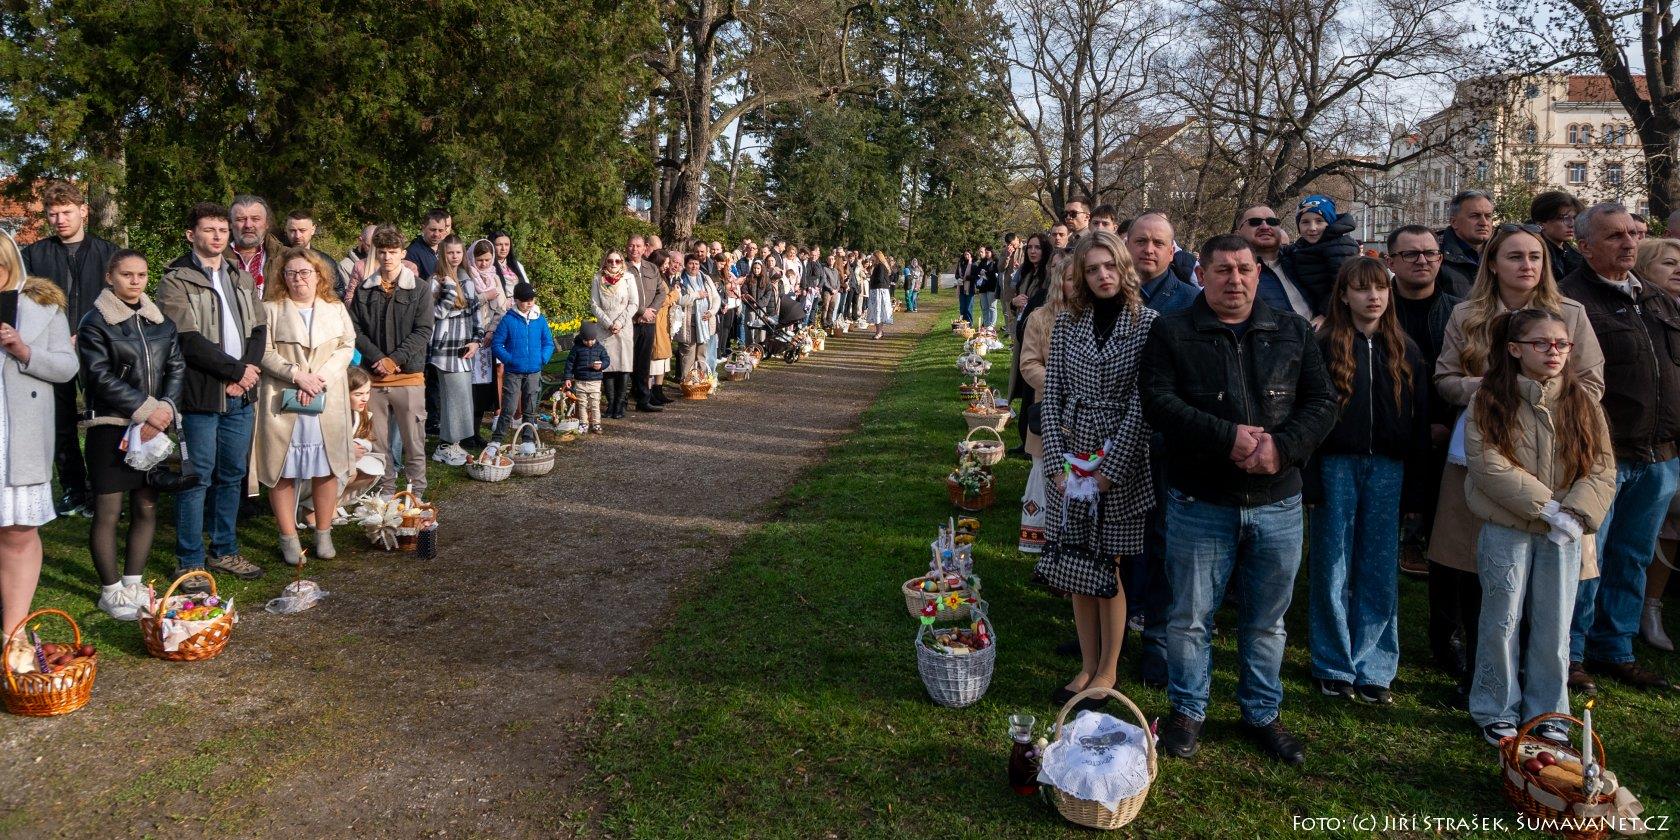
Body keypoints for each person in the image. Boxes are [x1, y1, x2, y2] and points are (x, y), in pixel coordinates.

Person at [1140, 233, 1337, 766]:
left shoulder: (1292, 330)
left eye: (1245, 269)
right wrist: (1225, 437)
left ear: (1258, 272)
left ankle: (1262, 712)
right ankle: (1187, 710)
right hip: (1201, 499)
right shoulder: (1173, 331)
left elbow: (1322, 402)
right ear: (1201, 274)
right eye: (1223, 270)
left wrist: (1282, 447)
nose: (1235, 280)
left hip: (1277, 500)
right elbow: (1158, 402)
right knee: (1190, 616)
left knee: (1268, 619)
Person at [1431, 223, 1603, 701]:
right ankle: (1483, 678)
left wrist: (1541, 393)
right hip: (1484, 454)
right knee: (1481, 570)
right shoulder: (1467, 314)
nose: (1527, 265)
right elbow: (1445, 378)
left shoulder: (1570, 313)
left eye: (1535, 256)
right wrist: (1486, 388)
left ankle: (1539, 682)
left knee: (1549, 576)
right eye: (1514, 256)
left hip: (1554, 457)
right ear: (1492, 263)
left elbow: (1591, 383)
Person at [1465, 309, 1615, 745]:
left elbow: (1602, 466)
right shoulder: (1489, 399)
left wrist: (1574, 514)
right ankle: (1496, 707)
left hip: (1564, 532)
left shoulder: (1582, 402)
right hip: (1508, 526)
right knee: (1502, 619)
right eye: (1542, 343)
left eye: (1562, 344)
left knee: (1555, 623)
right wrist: (1547, 508)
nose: (1554, 351)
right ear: (1515, 349)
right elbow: (1487, 462)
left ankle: (1549, 711)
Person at [1558, 203, 1680, 691]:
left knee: (1633, 556)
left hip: (1659, 455)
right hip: (1600, 454)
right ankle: (1572, 653)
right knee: (1587, 560)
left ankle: (1615, 649)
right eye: (1614, 236)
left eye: (1633, 233)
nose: (1629, 242)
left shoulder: (1658, 298)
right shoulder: (1568, 299)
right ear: (1584, 246)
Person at [1033, 230, 1156, 712]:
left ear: (1123, 268)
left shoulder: (1147, 324)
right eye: (1091, 269)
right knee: (1075, 561)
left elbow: (1143, 405)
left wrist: (1111, 470)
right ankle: (1086, 664)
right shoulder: (1067, 324)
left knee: (1109, 565)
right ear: (1081, 276)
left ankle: (1108, 668)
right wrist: (1056, 465)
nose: (1102, 276)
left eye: (1109, 266)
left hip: (1119, 456)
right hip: (1071, 452)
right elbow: (1052, 396)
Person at [1307, 257, 1428, 705]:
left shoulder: (1406, 349)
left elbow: (1420, 422)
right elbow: (1308, 414)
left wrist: (1415, 487)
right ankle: (1333, 662)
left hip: (1388, 468)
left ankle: (1374, 664)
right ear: (1344, 295)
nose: (1372, 297)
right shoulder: (1323, 346)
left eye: (1379, 288)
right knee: (1332, 563)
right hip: (1335, 464)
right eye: (1361, 288)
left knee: (1378, 566)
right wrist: (1309, 476)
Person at [158, 202, 268, 590]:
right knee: (197, 477)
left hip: (241, 395)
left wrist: (247, 372)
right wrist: (235, 372)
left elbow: (259, 328)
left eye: (223, 230)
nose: (218, 236)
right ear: (191, 235)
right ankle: (189, 561)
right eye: (209, 230)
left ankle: (224, 550)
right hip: (201, 394)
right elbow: (186, 339)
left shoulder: (239, 275)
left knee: (232, 475)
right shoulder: (176, 280)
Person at [77, 249, 183, 619]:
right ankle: (110, 591)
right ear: (110, 277)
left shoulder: (160, 322)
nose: (135, 281)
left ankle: (133, 583)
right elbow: (98, 376)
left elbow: (176, 367)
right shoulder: (95, 322)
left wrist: (165, 408)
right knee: (109, 509)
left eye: (141, 274)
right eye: (127, 274)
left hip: (153, 428)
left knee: (146, 504)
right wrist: (146, 408)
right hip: (111, 426)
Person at [1125, 212, 1200, 690]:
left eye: (1158, 243)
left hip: (1164, 442)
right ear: (1127, 245)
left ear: (1173, 251)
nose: (1148, 250)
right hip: (1114, 438)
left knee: (1162, 539)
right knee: (1114, 538)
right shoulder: (1111, 295)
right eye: (1141, 241)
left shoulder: (1189, 301)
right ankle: (1108, 632)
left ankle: (1156, 639)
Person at [1384, 225, 1465, 660]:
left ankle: (1447, 635)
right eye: (1410, 254)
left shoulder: (1459, 312)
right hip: (1388, 438)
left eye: (1430, 253)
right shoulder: (1376, 306)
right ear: (1391, 261)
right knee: (1379, 540)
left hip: (1447, 438)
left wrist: (1445, 423)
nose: (1422, 261)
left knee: (1448, 545)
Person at [254, 248, 356, 565]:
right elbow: (263, 351)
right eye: (291, 273)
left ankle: (323, 532)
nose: (298, 279)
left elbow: (347, 346)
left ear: (318, 275)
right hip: (283, 397)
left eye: (305, 272)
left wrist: (320, 378)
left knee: (326, 467)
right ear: (282, 277)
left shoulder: (335, 308)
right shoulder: (270, 309)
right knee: (281, 469)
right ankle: (288, 537)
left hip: (326, 395)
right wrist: (298, 376)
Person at [0, 231, 78, 635]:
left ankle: (13, 632)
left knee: (18, 532)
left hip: (19, 437)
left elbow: (67, 367)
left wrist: (23, 350)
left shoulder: (41, 305)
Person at [22, 181, 115, 518]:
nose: (60, 220)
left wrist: (89, 334)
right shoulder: (34, 255)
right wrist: (56, 336)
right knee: (60, 422)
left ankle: (105, 492)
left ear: (83, 211)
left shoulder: (108, 253)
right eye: (53, 214)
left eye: (66, 212)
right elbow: (24, 302)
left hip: (99, 349)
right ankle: (73, 490)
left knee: (104, 420)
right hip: (52, 350)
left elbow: (119, 299)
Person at [350, 223, 434, 498]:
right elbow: (355, 329)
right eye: (382, 252)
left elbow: (423, 330)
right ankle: (384, 492)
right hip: (373, 379)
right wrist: (378, 358)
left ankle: (416, 493)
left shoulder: (420, 289)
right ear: (375, 253)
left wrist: (395, 359)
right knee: (378, 442)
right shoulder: (364, 289)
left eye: (393, 251)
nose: (387, 257)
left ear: (403, 253)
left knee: (414, 441)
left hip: (408, 377)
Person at [1636, 237, 1680, 650]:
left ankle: (1653, 606)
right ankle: (1639, 610)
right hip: (1651, 440)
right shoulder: (1639, 314)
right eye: (1668, 262)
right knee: (1652, 526)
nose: (1678, 270)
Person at [426, 237, 487, 466]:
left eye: (458, 252)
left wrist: (477, 341)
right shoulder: (436, 281)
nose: (454, 257)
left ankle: (453, 443)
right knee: (452, 396)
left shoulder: (467, 280)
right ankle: (444, 446)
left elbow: (476, 314)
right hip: (444, 349)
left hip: (464, 348)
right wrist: (450, 289)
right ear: (443, 254)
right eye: (450, 253)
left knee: (462, 397)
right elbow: (434, 314)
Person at [491, 282, 555, 442]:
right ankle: (496, 441)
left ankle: (528, 440)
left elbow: (548, 342)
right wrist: (509, 360)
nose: (529, 303)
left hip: (534, 371)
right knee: (508, 408)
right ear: (516, 300)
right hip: (513, 372)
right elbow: (497, 344)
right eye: (525, 300)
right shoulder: (508, 320)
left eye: (531, 299)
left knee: (530, 409)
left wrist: (542, 358)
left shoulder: (539, 319)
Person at [1237, 205, 1316, 323]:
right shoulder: (1233, 274)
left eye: (1272, 222)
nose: (1265, 227)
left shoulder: (1302, 260)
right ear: (1238, 234)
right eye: (1255, 222)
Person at [1283, 194, 1359, 312]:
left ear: (1330, 223)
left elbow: (1342, 288)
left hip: (1335, 313)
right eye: (1305, 222)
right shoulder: (1302, 246)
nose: (1312, 228)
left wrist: (1324, 315)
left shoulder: (1340, 248)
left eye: (1319, 221)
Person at [590, 251, 638, 419]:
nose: (614, 264)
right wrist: (608, 323)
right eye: (610, 261)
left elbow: (634, 303)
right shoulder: (598, 278)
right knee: (607, 366)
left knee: (624, 366)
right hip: (605, 328)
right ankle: (610, 404)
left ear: (622, 262)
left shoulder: (628, 278)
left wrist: (619, 322)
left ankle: (620, 404)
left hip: (623, 327)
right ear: (605, 262)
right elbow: (594, 305)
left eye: (617, 261)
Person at [626, 235, 665, 413]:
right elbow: (622, 296)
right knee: (627, 362)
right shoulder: (621, 268)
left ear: (644, 248)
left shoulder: (652, 268)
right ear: (627, 248)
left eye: (638, 246)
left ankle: (643, 399)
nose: (634, 249)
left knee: (643, 363)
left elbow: (661, 292)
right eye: (631, 246)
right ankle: (622, 400)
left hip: (649, 322)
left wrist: (651, 311)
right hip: (630, 322)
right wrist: (641, 311)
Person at [1437, 190, 1496, 298]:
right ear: (1454, 222)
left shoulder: (1500, 253)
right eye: (1475, 216)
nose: (1484, 223)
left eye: (1488, 216)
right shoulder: (1433, 255)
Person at [282, 209, 349, 300]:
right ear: (286, 230)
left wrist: (316, 301)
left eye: (302, 230)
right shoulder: (277, 259)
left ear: (313, 229)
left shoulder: (325, 261)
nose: (297, 236)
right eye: (292, 230)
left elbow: (339, 291)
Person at [229, 195, 281, 293]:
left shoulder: (285, 257)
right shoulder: (215, 258)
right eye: (241, 219)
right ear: (230, 224)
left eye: (255, 219)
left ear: (267, 223)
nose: (248, 225)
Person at [564, 322, 609, 434]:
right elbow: (569, 363)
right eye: (586, 340)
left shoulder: (600, 348)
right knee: (582, 404)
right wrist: (568, 378)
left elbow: (606, 360)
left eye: (592, 340)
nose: (589, 342)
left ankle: (596, 423)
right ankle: (583, 423)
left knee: (595, 404)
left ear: (595, 338)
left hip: (595, 381)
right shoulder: (576, 348)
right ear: (582, 338)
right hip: (580, 381)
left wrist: (601, 366)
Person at [1530, 190, 1585, 280]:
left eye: (1574, 218)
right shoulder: (1534, 254)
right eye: (1562, 218)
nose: (1571, 224)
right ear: (1541, 223)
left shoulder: (1574, 254)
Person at [406, 208, 451, 280]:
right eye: (433, 230)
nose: (436, 234)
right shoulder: (412, 253)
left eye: (440, 230)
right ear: (423, 228)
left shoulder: (446, 249)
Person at [339, 224, 377, 304]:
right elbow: (347, 296)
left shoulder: (385, 262)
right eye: (369, 246)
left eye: (377, 246)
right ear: (360, 240)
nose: (373, 251)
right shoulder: (345, 266)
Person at [867, 251, 894, 339]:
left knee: (878, 311)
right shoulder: (878, 266)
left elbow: (880, 278)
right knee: (878, 311)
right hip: (878, 290)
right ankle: (879, 331)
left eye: (873, 256)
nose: (871, 258)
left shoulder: (880, 266)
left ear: (877, 257)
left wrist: (871, 278)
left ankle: (879, 332)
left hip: (879, 290)